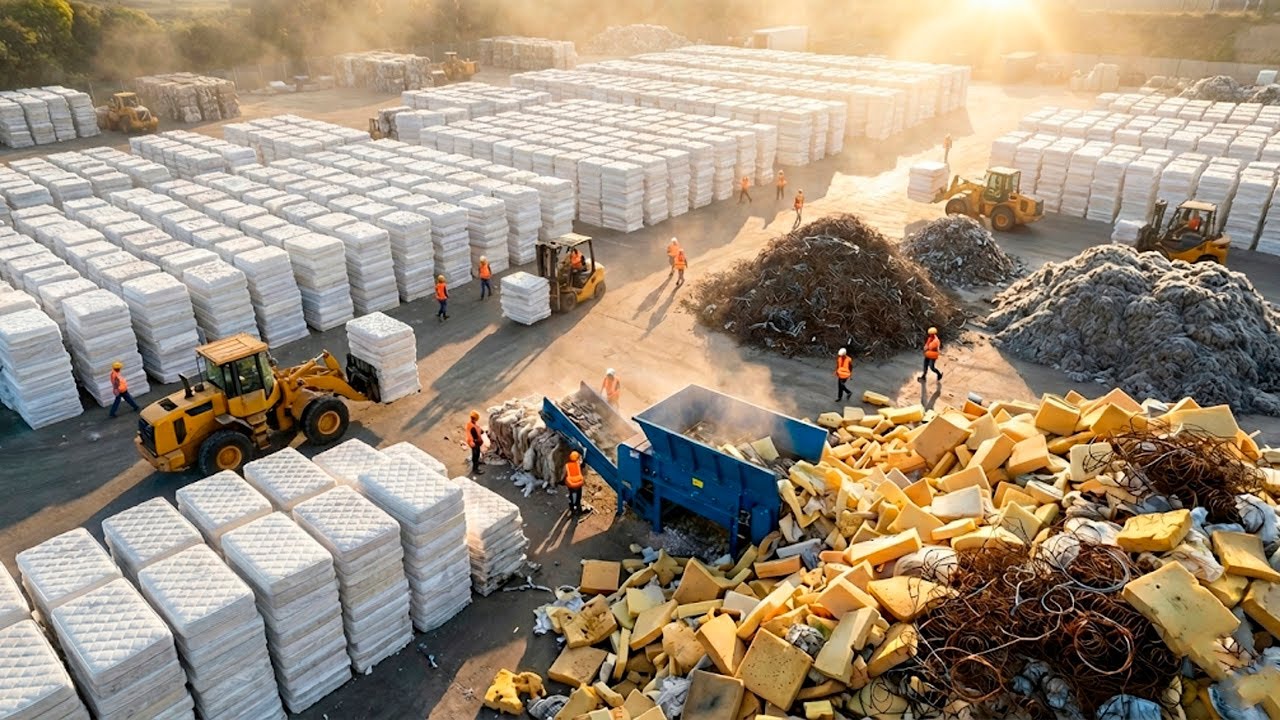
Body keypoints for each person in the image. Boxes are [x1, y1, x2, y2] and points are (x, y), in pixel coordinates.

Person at [564, 450, 585, 516]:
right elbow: (583, 465)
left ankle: (572, 509)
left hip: (571, 484)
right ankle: (578, 507)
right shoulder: (578, 463)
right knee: (578, 496)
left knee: (572, 497)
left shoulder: (567, 465)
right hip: (579, 483)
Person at [465, 410, 484, 474]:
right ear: (476, 418)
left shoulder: (471, 424)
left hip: (474, 442)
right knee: (476, 455)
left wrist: (481, 430)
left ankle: (477, 462)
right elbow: (476, 434)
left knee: (477, 454)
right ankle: (475, 469)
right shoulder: (472, 427)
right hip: (474, 443)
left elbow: (478, 430)